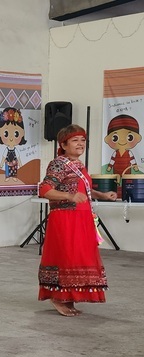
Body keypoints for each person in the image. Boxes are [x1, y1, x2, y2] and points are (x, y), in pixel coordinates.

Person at [38, 124, 114, 317]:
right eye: (75, 140)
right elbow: (45, 189)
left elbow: (84, 190)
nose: (80, 144)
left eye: (83, 140)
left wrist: (102, 195)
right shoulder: (59, 164)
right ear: (63, 144)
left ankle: (68, 296)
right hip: (66, 218)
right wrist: (70, 196)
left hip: (82, 217)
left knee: (79, 257)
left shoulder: (79, 165)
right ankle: (58, 297)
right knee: (67, 257)